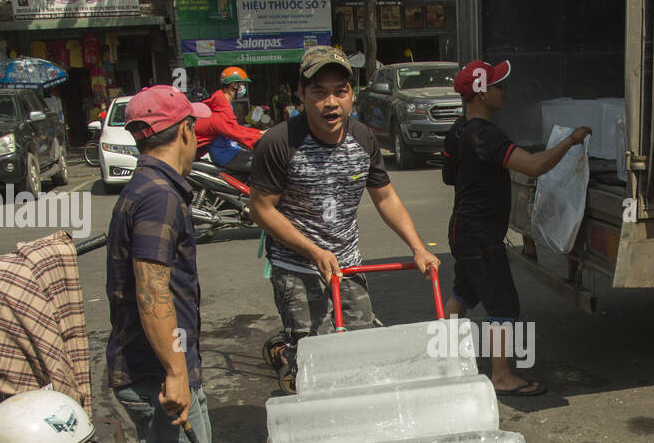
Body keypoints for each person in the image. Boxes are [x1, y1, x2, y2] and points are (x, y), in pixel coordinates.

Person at [106, 85, 239, 443]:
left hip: (158, 362)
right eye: (197, 127)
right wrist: (176, 375)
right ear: (185, 130)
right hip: (155, 371)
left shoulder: (149, 184)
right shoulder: (160, 196)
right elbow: (151, 287)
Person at [250, 46, 440, 393]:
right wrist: (313, 251)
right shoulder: (279, 143)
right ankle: (310, 412)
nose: (331, 103)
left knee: (361, 349)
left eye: (340, 91)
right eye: (319, 92)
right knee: (315, 359)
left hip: (349, 267)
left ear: (352, 94)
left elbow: (385, 196)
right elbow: (262, 208)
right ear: (302, 95)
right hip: (297, 267)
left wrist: (418, 248)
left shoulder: (363, 138)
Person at [442, 59, 590, 397]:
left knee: (464, 292)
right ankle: (502, 376)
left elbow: (449, 177)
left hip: (461, 229)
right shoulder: (487, 135)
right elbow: (535, 167)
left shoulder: (458, 130)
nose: (503, 90)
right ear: (481, 94)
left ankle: (442, 360)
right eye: (497, 85)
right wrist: (571, 141)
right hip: (480, 235)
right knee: (503, 305)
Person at [194, 66, 263, 176]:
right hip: (225, 155)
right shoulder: (222, 108)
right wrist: (266, 140)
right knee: (266, 163)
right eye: (242, 84)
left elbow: (234, 127)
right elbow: (235, 133)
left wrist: (259, 133)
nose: (243, 88)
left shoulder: (224, 103)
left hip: (230, 151)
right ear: (234, 85)